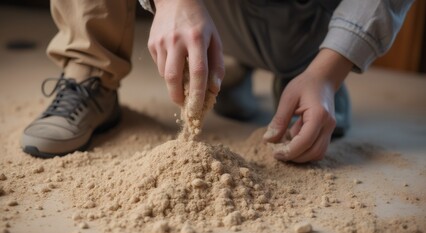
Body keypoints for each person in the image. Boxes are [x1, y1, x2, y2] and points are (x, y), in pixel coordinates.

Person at [21, 0, 413, 162]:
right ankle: (90, 71)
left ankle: (306, 71)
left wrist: (327, 72)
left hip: (300, 15)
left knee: (302, 54)